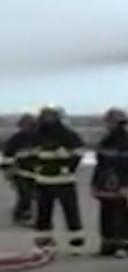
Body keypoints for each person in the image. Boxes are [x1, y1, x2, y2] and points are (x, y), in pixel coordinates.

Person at [30, 105, 87, 253]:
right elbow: (31, 154)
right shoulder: (37, 135)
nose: (48, 119)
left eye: (51, 115)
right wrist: (36, 166)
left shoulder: (69, 135)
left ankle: (76, 244)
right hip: (43, 180)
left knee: (71, 212)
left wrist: (68, 165)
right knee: (43, 214)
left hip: (64, 180)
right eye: (46, 115)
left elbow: (79, 153)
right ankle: (43, 244)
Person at [90, 108, 128, 256]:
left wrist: (127, 185)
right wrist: (95, 183)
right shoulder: (105, 141)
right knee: (106, 213)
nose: (108, 124)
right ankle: (108, 244)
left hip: (120, 183)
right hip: (104, 183)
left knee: (120, 214)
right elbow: (99, 165)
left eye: (110, 122)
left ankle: (123, 245)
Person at [3, 113, 38, 225]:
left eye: (29, 125)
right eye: (24, 125)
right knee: (24, 194)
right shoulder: (15, 139)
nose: (26, 127)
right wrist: (7, 169)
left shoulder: (40, 139)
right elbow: (7, 155)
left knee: (33, 195)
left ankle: (24, 212)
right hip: (19, 172)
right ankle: (20, 215)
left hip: (35, 172)